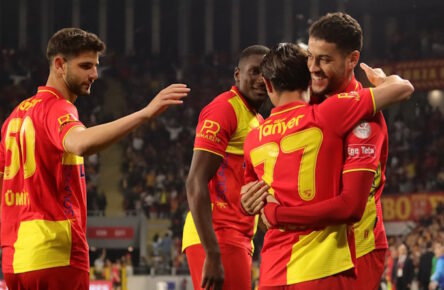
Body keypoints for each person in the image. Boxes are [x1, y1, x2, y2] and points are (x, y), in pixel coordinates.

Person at [0, 28, 190, 290]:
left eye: (96, 66)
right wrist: (144, 114)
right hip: (56, 253)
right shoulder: (57, 107)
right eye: (85, 66)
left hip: (15, 260)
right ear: (59, 65)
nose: (94, 74)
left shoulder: (16, 116)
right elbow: (80, 143)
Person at [241, 12, 393, 290]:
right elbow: (276, 205)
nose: (313, 67)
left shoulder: (363, 119)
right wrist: (255, 206)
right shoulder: (310, 109)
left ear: (352, 60)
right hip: (300, 258)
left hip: (356, 251)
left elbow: (351, 206)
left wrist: (278, 216)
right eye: (310, 57)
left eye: (324, 59)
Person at [182, 45, 270, 290]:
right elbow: (195, 181)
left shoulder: (257, 120)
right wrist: (212, 253)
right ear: (237, 75)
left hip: (238, 236)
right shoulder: (224, 108)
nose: (261, 79)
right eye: (254, 72)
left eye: (266, 73)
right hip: (218, 234)